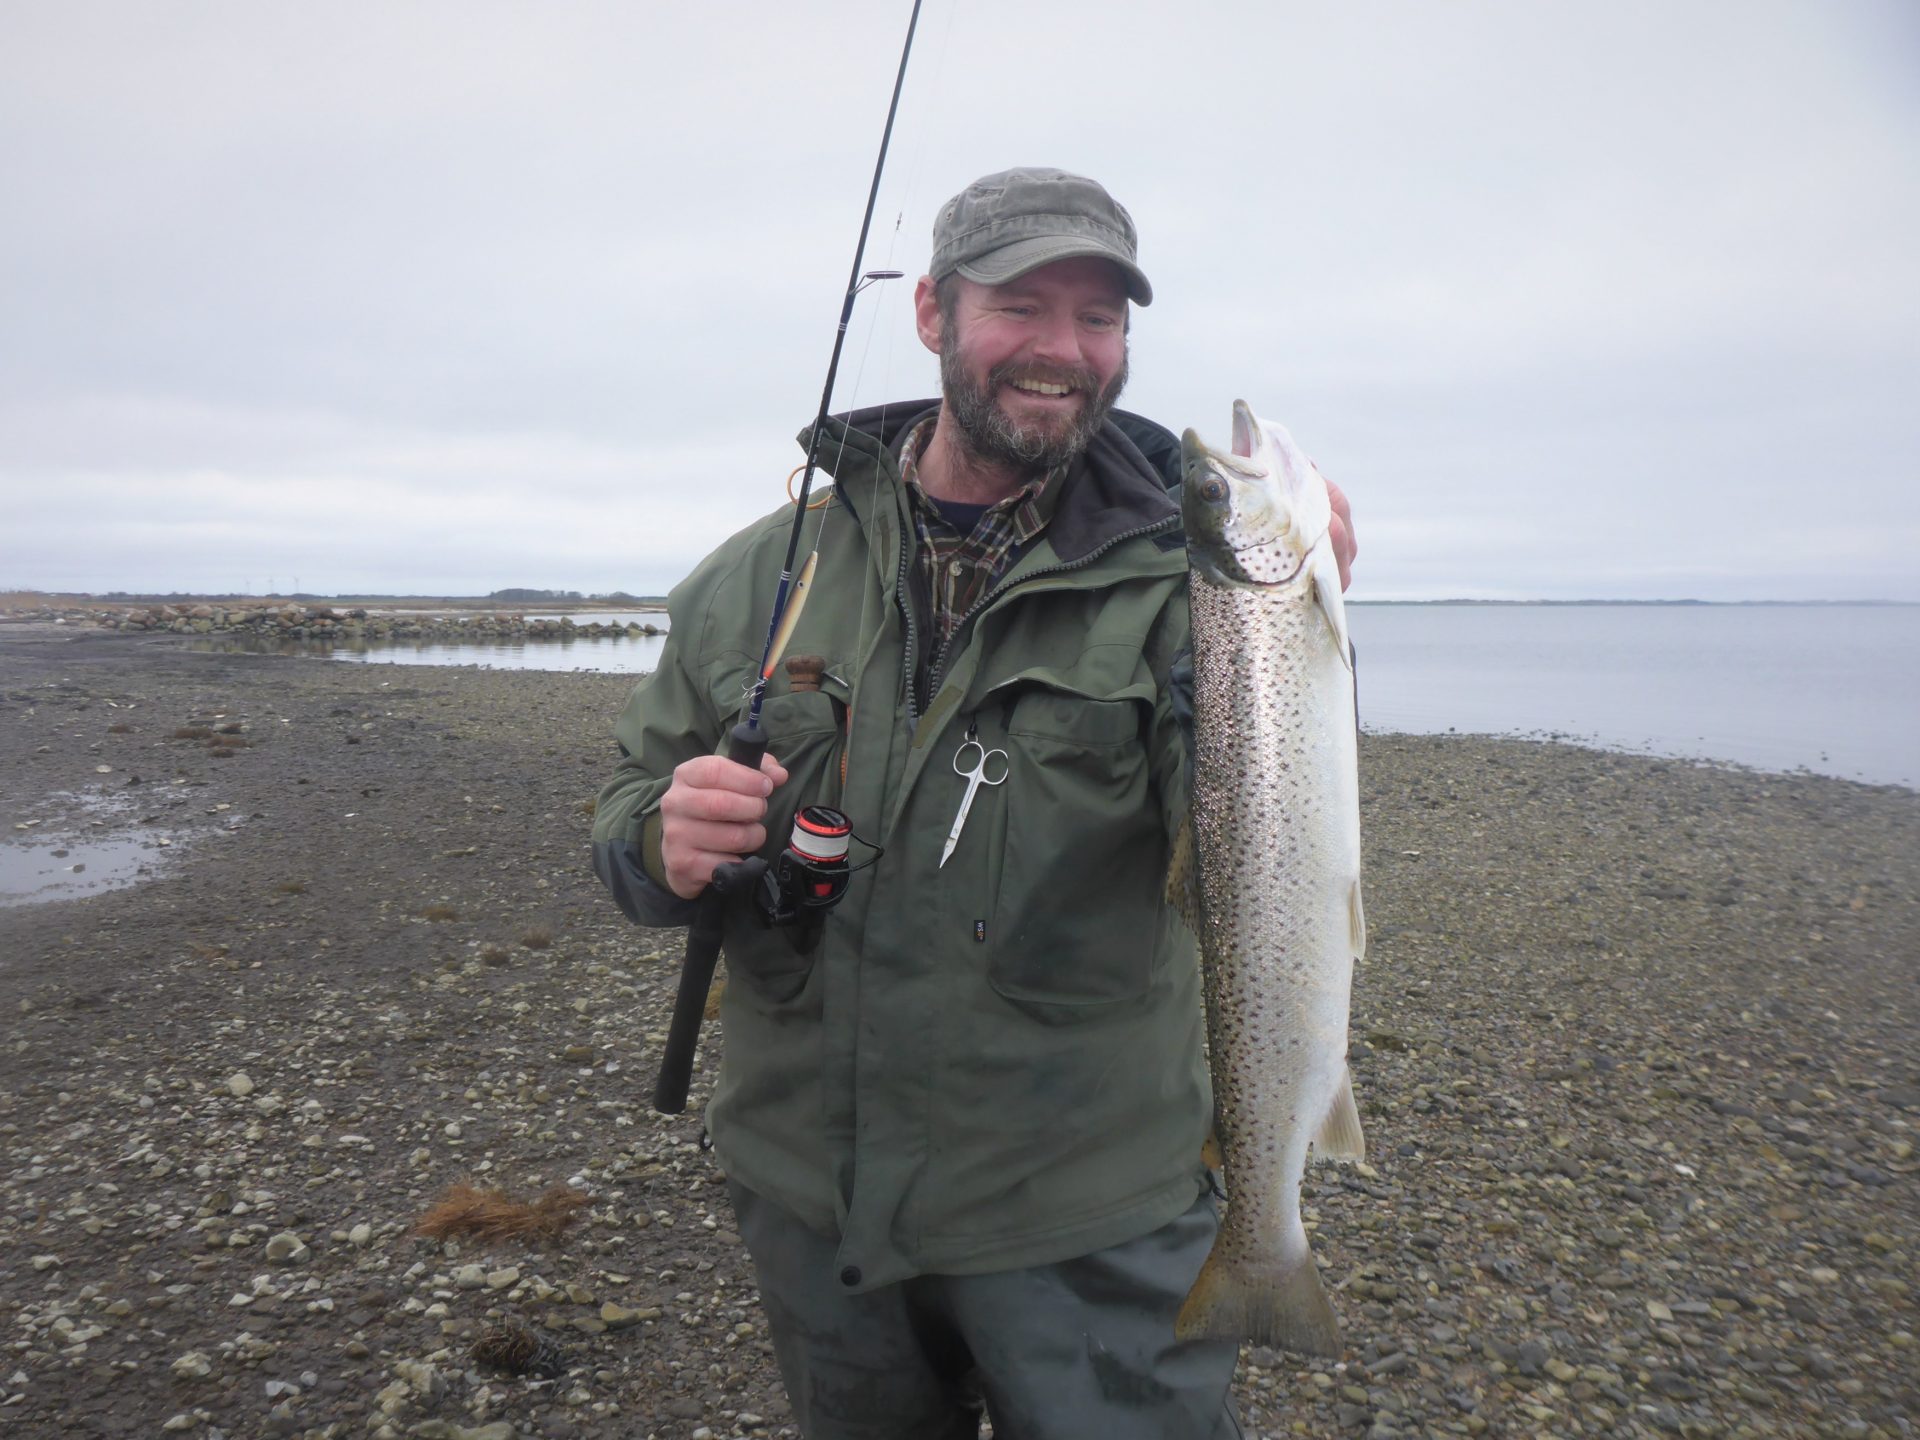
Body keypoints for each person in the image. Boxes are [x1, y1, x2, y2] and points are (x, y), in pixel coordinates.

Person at [592, 167, 1357, 1440]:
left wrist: (1297, 619)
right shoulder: (758, 580)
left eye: (1101, 317)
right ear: (934, 312)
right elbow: (626, 804)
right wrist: (657, 839)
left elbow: (1255, 822)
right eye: (1024, 305)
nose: (1065, 350)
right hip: (812, 1197)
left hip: (1088, 1214)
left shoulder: (1190, 584)